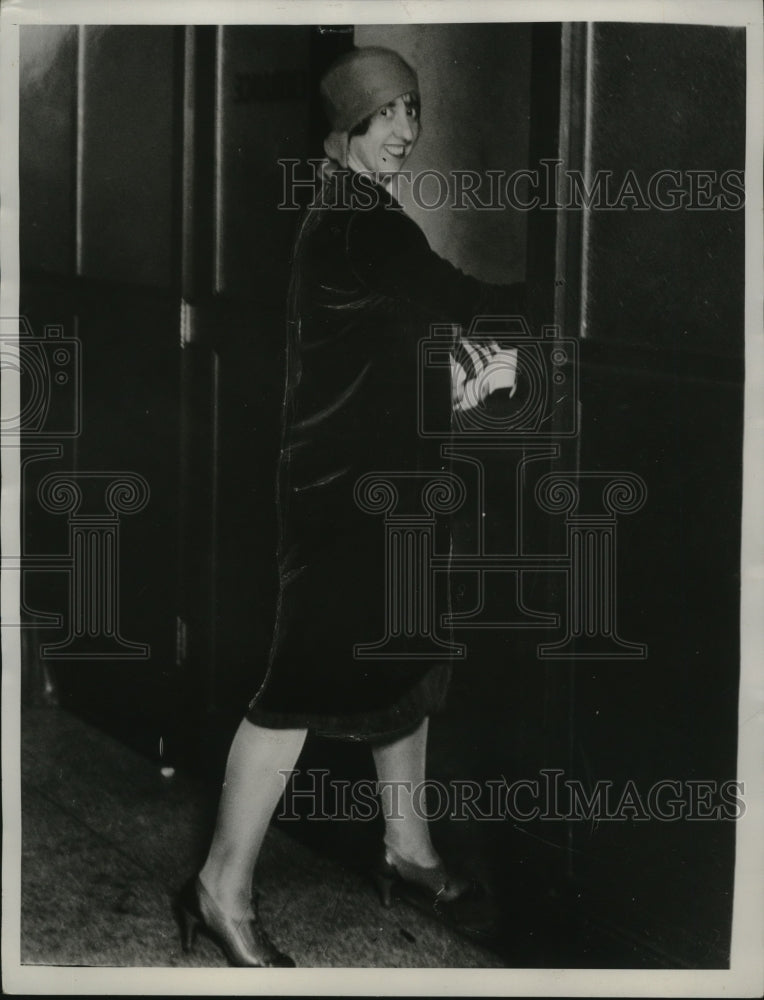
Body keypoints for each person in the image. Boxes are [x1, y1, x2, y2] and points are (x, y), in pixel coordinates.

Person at [175, 45, 526, 968]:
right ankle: (221, 885)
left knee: (403, 664)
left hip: (383, 489)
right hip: (341, 505)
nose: (409, 132)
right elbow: (462, 300)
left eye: (414, 110)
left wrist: (450, 372)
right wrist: (564, 309)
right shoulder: (356, 226)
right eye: (389, 115)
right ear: (347, 129)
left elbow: (389, 341)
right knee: (295, 693)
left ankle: (407, 849)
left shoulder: (358, 215)